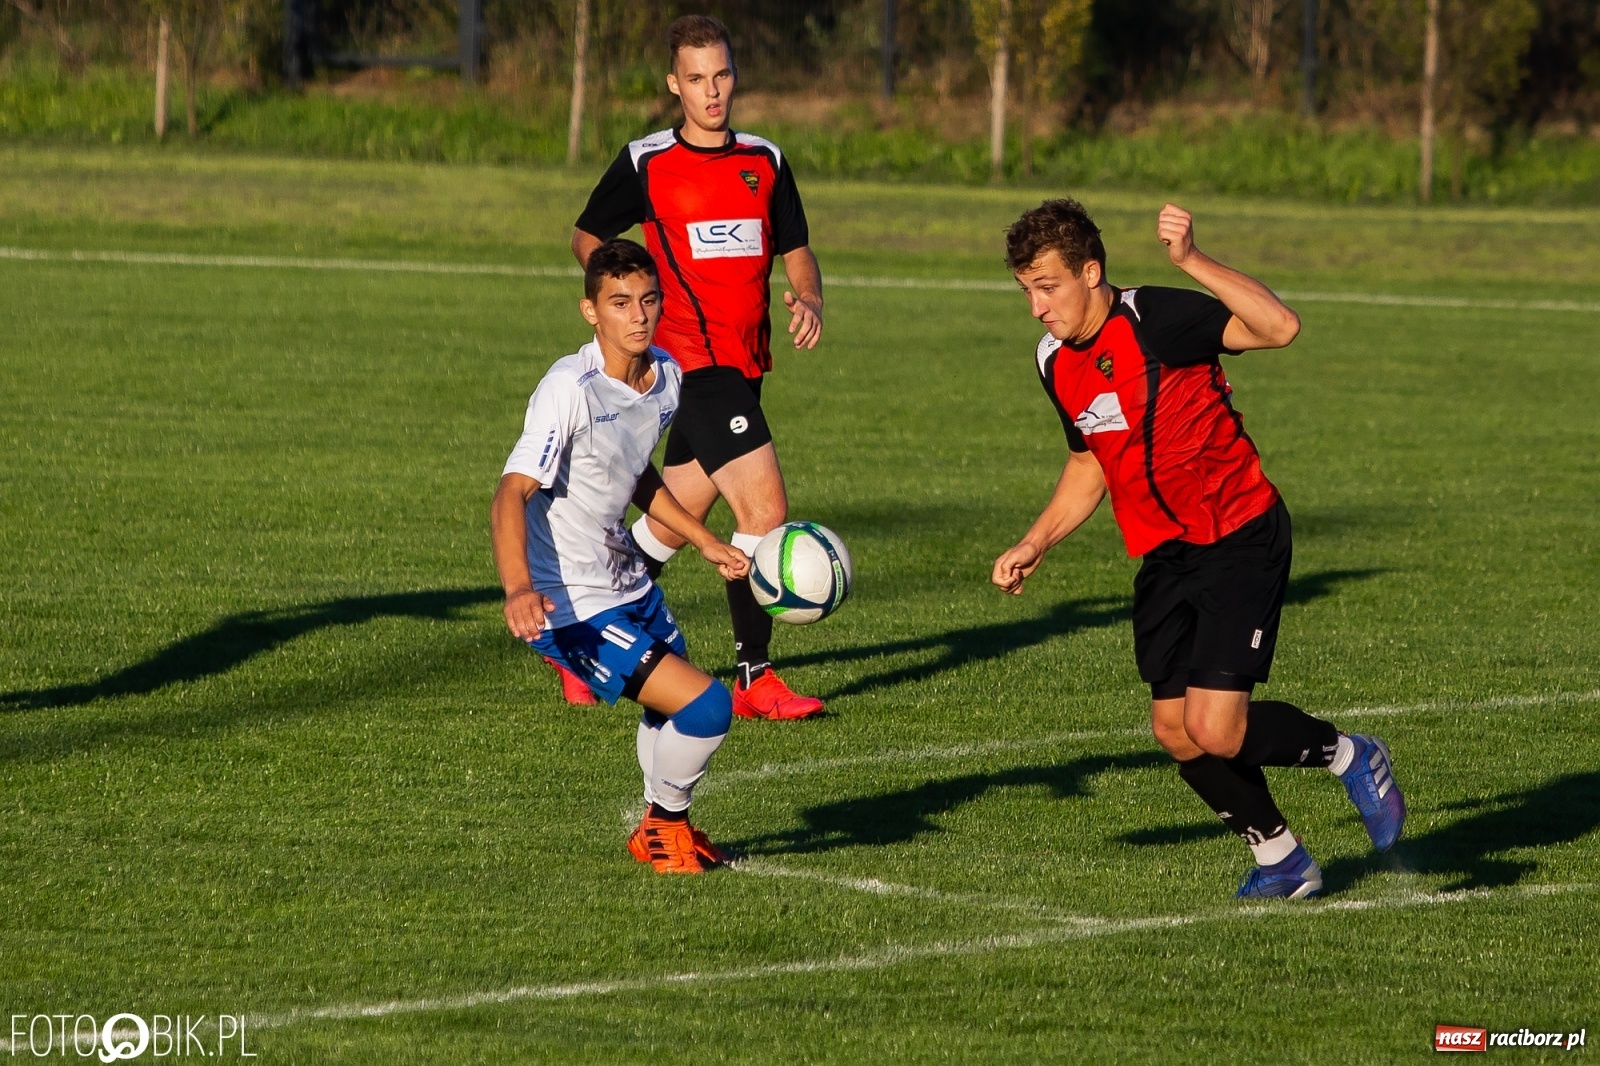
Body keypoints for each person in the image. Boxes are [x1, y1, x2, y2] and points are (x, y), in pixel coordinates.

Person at [991, 198, 1406, 899]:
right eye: (1027, 290)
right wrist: (1037, 541)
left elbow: (1280, 327)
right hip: (1167, 554)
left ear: (1092, 272)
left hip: (1239, 532)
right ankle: (1284, 859)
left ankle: (1351, 756)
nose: (1036, 306)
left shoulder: (1157, 317)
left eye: (1048, 286)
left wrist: (1191, 261)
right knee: (1176, 732)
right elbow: (1090, 461)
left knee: (1215, 727)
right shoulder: (1053, 360)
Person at [566, 14, 826, 721]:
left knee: (673, 521)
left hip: (747, 364)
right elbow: (589, 235)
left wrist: (807, 295)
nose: (712, 91)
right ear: (674, 84)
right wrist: (626, 302)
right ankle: (755, 677)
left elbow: (796, 245)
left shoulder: (765, 160)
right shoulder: (647, 160)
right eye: (697, 79)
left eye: (722, 75)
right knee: (764, 510)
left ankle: (588, 642)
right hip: (692, 364)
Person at [491, 238, 749, 874]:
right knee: (709, 705)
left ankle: (664, 826)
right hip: (568, 602)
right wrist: (519, 589)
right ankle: (665, 827)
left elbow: (634, 475)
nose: (637, 315)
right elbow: (509, 492)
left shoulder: (666, 378)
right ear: (591, 312)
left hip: (626, 581)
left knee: (671, 707)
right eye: (619, 303)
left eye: (647, 300)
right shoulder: (566, 388)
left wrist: (702, 537)